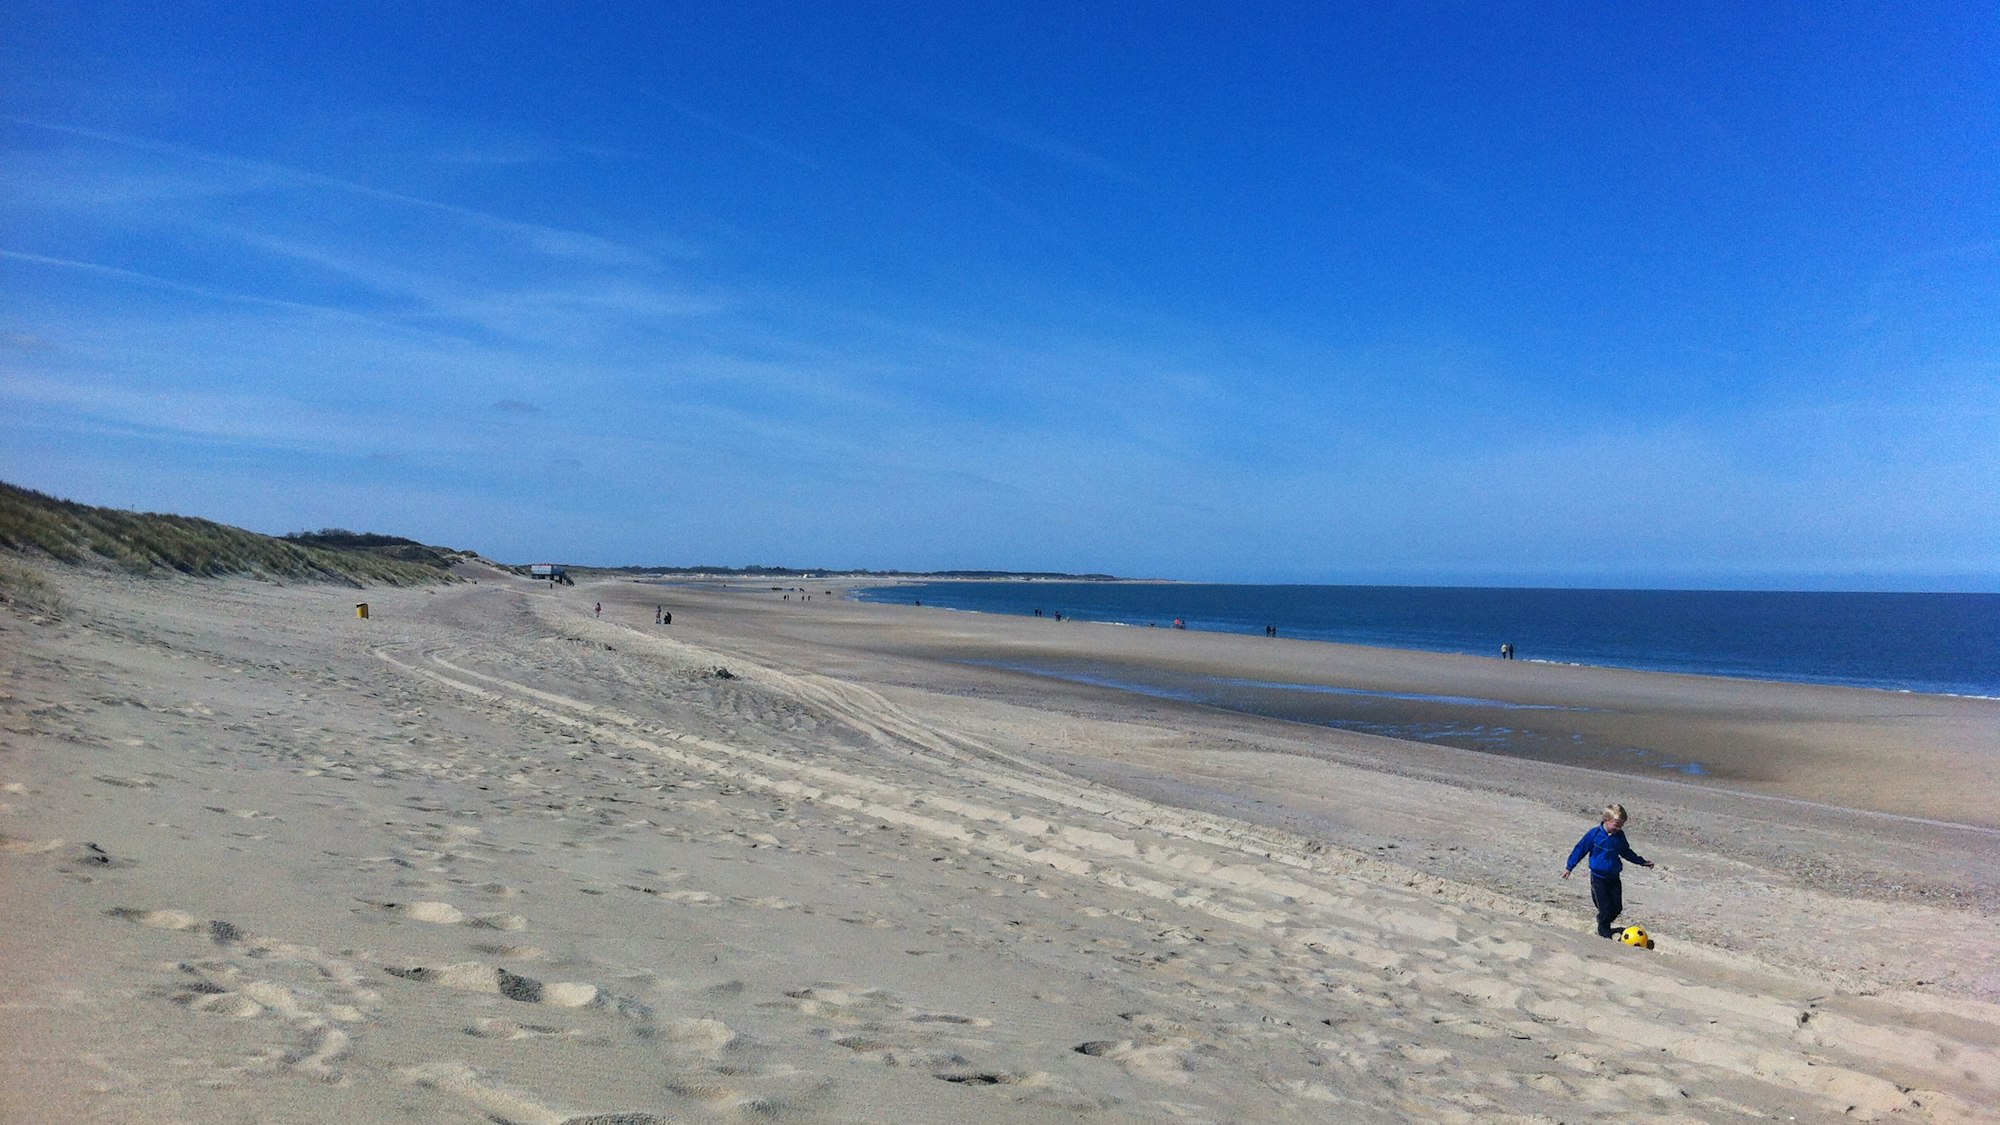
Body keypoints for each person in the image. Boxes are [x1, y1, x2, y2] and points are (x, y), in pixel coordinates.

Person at [1562, 803, 1655, 938]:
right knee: (1605, 909)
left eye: (1621, 825)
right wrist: (1569, 867)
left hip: (1614, 877)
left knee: (1617, 908)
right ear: (1606, 819)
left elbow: (1626, 852)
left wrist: (1642, 862)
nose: (1618, 828)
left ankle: (1602, 922)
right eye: (1616, 824)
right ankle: (1604, 936)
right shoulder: (1594, 834)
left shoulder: (1619, 836)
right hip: (1598, 878)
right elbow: (1580, 849)